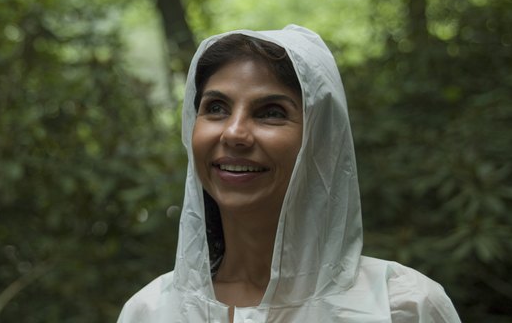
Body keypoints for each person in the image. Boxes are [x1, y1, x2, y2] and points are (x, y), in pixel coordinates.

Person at [117, 25, 461, 322]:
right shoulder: (150, 311)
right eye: (216, 108)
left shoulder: (401, 306)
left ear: (320, 140)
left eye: (270, 112)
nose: (234, 133)